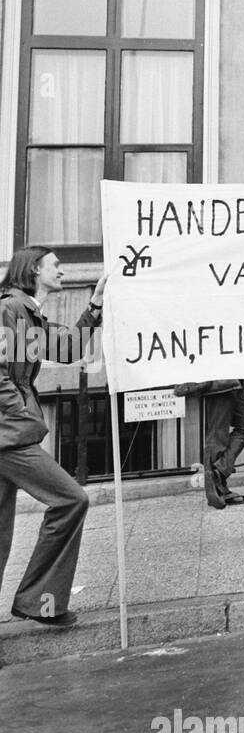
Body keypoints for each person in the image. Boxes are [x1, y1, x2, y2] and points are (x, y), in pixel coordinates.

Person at [0, 247, 105, 628]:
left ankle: (40, 604)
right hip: (9, 436)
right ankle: (38, 603)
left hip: (11, 433)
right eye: (55, 266)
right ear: (33, 271)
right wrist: (20, 411)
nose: (62, 271)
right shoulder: (10, 310)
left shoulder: (27, 314)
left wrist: (94, 306)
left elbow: (68, 349)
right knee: (70, 499)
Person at [196, 380, 244, 509]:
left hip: (235, 381)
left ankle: (219, 472)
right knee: (217, 435)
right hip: (218, 383)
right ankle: (218, 489)